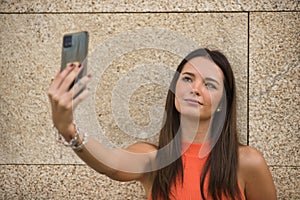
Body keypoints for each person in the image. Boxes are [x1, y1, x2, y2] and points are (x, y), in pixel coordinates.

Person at [48, 48, 277, 199]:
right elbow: (111, 164)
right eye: (187, 78)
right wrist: (69, 130)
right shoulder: (154, 158)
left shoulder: (247, 162)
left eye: (209, 84)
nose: (194, 88)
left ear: (222, 103)